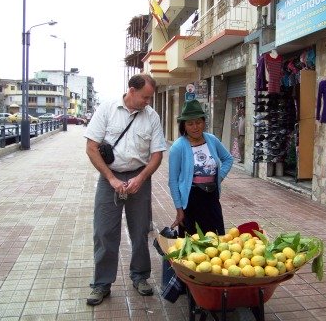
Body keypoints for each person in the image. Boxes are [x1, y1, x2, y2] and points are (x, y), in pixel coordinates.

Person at [84, 73, 167, 306]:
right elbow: (91, 147)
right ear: (131, 90)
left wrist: (141, 178)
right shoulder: (108, 109)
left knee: (140, 230)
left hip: (139, 177)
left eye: (150, 98)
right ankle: (101, 284)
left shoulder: (151, 116)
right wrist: (110, 178)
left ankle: (140, 277)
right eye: (144, 97)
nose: (147, 102)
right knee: (104, 232)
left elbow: (157, 154)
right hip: (109, 178)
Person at [168, 99, 233, 236]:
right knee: (193, 242)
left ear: (204, 122)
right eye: (190, 123)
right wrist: (179, 209)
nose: (195, 127)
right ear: (184, 126)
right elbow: (173, 181)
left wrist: (219, 177)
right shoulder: (178, 147)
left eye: (198, 122)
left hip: (212, 198)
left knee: (216, 239)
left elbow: (228, 158)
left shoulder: (212, 140)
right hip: (191, 200)